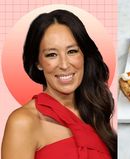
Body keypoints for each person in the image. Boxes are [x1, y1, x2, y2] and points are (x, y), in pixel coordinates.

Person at [1, 9, 117, 159]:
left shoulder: (95, 112)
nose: (64, 65)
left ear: (83, 55)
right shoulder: (23, 122)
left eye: (72, 51)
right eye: (52, 54)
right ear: (38, 62)